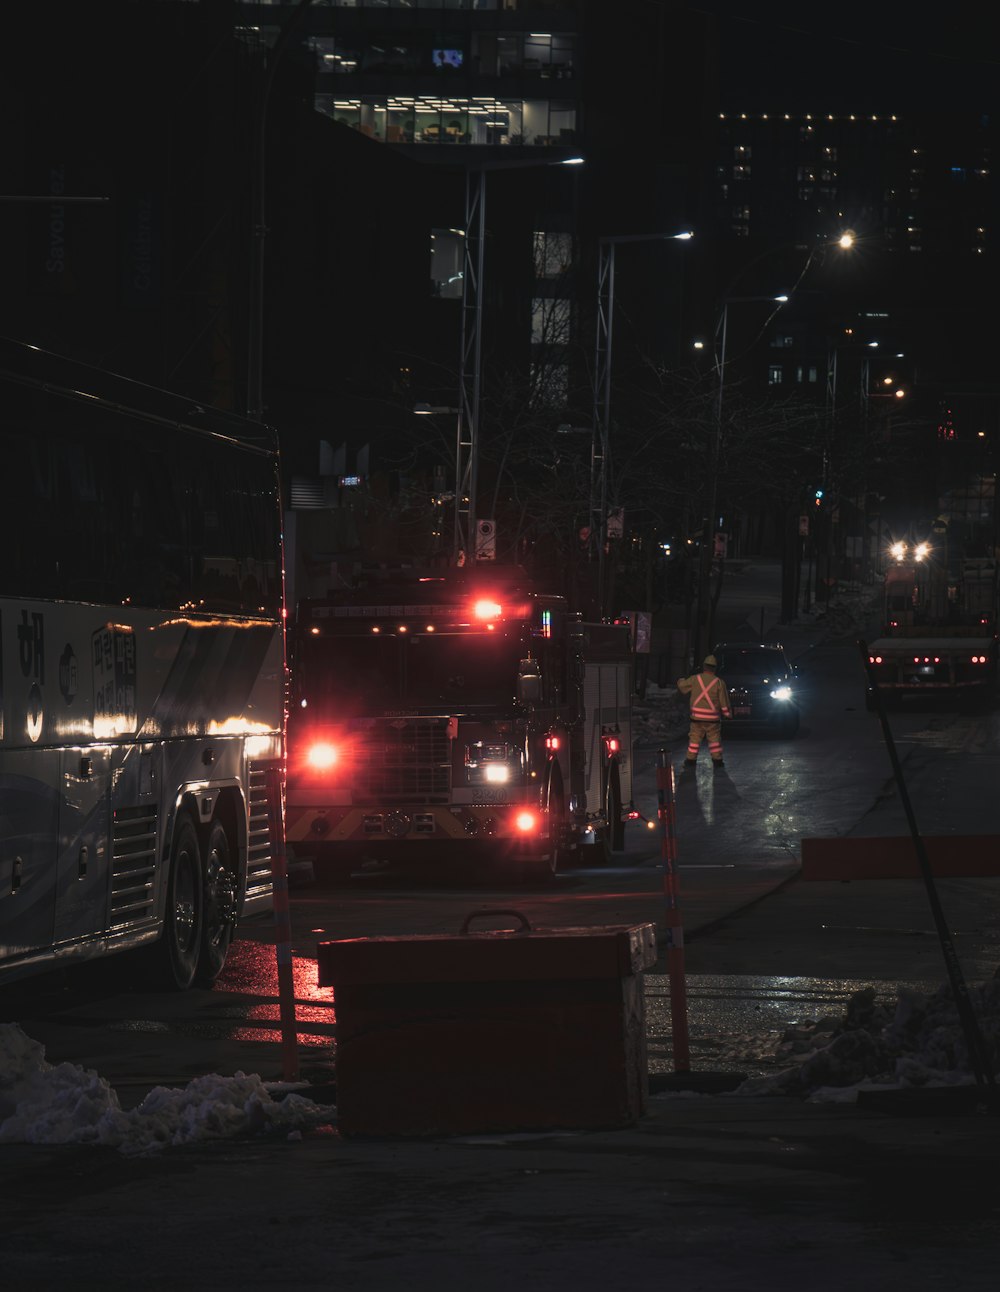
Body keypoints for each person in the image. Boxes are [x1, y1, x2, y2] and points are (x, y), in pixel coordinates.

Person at [676, 654, 731, 768]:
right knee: (714, 741)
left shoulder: (695, 679)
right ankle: (717, 761)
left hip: (697, 718)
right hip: (713, 720)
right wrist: (727, 713)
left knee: (694, 740)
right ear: (715, 668)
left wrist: (680, 680)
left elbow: (683, 687)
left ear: (704, 666)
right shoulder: (719, 682)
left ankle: (690, 761)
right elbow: (723, 701)